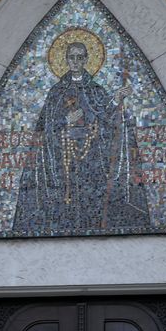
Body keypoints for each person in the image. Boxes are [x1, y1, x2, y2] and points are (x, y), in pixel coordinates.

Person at [12, 40, 150, 236]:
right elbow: (46, 126)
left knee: (92, 198)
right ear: (66, 60)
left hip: (92, 157)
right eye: (71, 57)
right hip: (64, 159)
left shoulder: (96, 90)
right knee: (66, 198)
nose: (75, 61)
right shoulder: (56, 92)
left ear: (86, 60)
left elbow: (106, 116)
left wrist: (117, 98)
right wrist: (64, 121)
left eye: (79, 57)